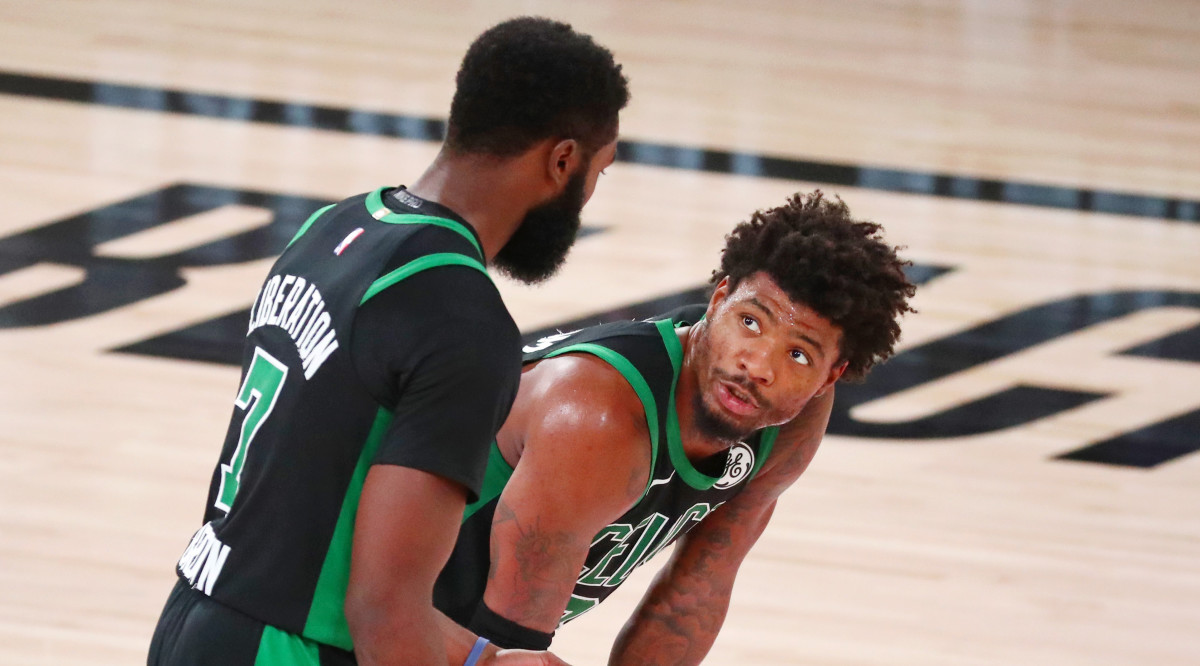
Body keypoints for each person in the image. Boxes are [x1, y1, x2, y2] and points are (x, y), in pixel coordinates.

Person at [148, 16, 630, 666]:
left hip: (196, 619)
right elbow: (383, 611)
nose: (588, 195)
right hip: (287, 651)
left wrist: (485, 660)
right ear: (562, 160)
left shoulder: (333, 226)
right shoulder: (464, 319)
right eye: (598, 171)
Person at [433, 191, 917, 663]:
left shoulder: (791, 419)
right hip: (376, 612)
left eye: (798, 354)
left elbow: (690, 600)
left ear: (828, 376)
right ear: (719, 300)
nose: (757, 364)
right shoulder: (597, 420)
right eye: (750, 321)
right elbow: (507, 650)